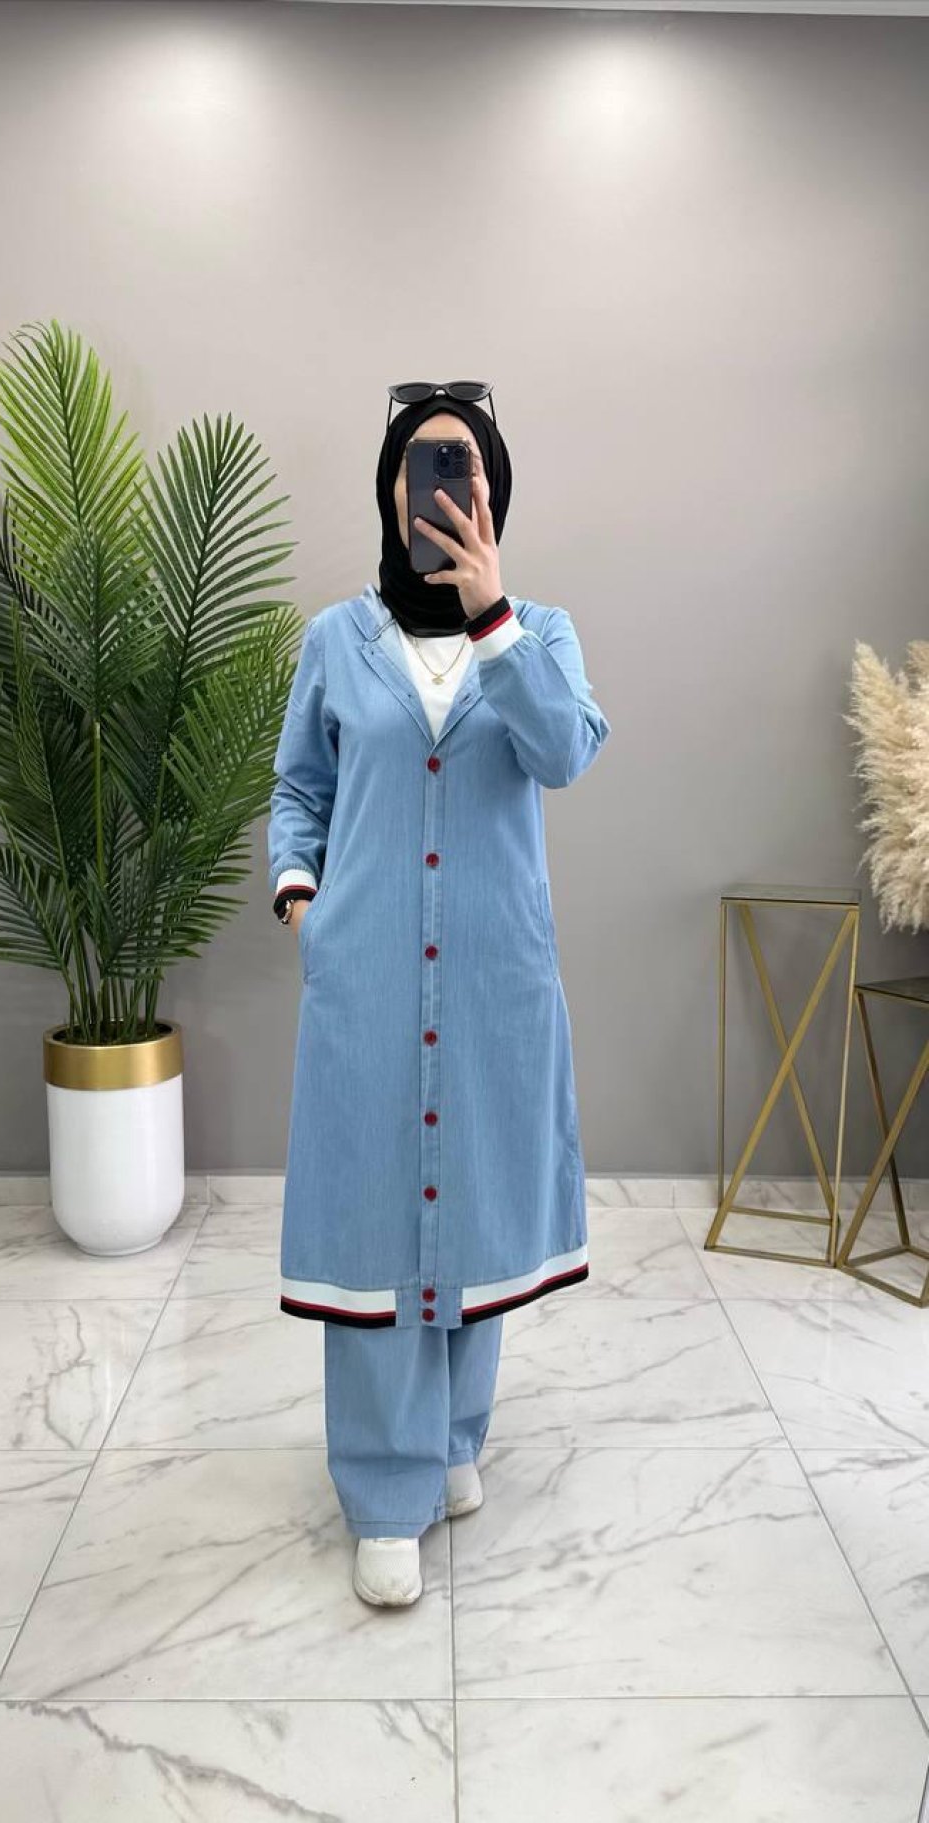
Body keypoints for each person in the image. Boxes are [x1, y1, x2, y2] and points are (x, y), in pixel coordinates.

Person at [267, 383, 611, 1607]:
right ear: (388, 491)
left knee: (470, 1200)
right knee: (373, 1218)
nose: (441, 488)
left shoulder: (542, 632)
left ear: (493, 489)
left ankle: (456, 1434)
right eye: (420, 466)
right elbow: (298, 788)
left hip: (489, 977)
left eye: (462, 466)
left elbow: (563, 752)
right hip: (364, 973)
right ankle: (382, 1487)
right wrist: (301, 899)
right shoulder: (334, 639)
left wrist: (490, 615)